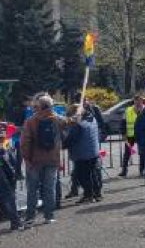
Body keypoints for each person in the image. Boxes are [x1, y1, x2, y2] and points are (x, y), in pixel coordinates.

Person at [20, 94, 66, 225]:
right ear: (50, 106)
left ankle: (30, 217)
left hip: (34, 161)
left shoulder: (30, 121)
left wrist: (26, 159)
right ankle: (49, 216)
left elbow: (25, 143)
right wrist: (78, 113)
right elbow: (70, 121)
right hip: (52, 159)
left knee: (32, 189)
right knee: (49, 188)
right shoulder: (57, 119)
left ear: (38, 107)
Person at [63, 104, 101, 204]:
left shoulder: (78, 125)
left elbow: (71, 140)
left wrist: (62, 145)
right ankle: (97, 194)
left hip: (82, 154)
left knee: (83, 176)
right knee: (92, 174)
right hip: (93, 151)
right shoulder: (92, 119)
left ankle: (88, 195)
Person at [119, 96, 145, 177]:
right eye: (136, 101)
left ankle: (142, 170)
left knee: (142, 153)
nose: (138, 103)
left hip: (142, 135)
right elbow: (123, 122)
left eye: (139, 101)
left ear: (142, 102)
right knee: (127, 153)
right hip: (130, 135)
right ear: (134, 101)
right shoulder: (128, 110)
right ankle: (124, 170)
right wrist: (123, 134)